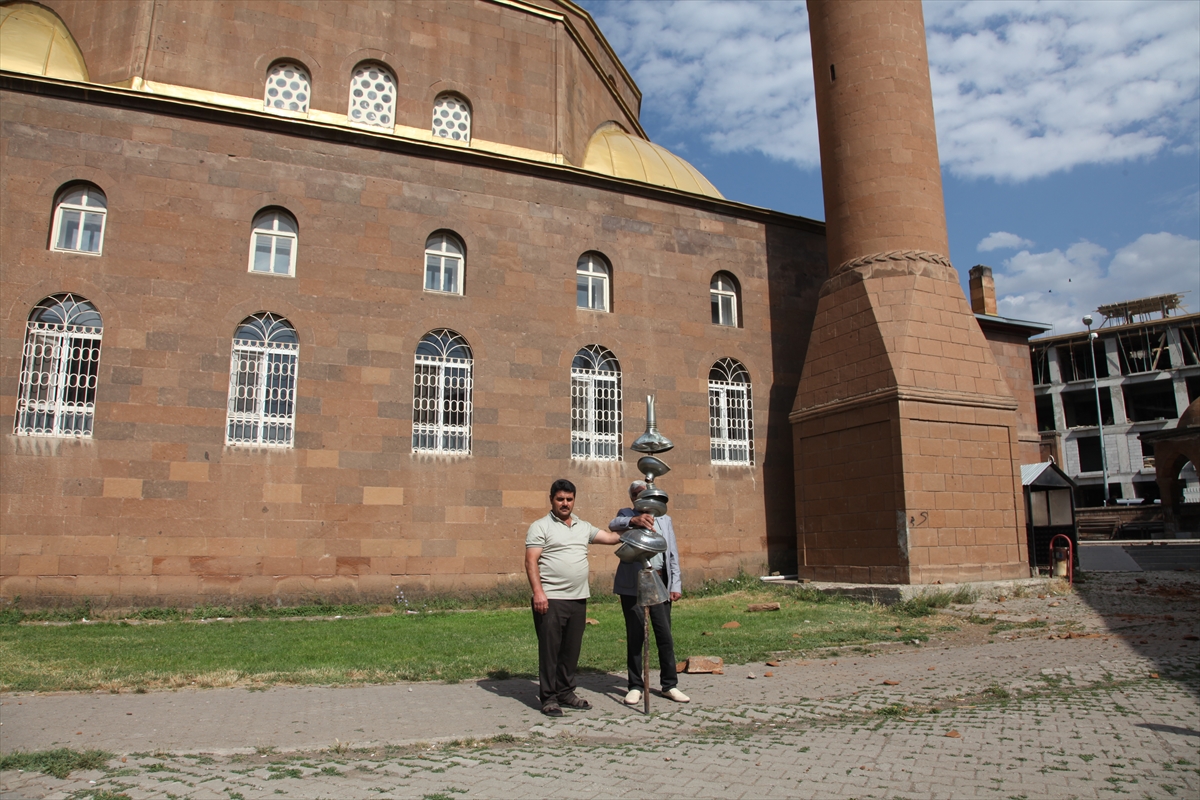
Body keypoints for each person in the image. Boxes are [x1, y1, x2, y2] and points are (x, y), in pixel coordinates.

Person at [525, 478, 621, 717]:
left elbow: (611, 538)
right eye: (560, 499)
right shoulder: (540, 526)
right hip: (551, 599)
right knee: (550, 651)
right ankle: (549, 698)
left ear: (574, 500)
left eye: (569, 499)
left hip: (578, 599)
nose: (565, 503)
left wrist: (635, 521)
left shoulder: (582, 526)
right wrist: (539, 592)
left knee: (571, 651)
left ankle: (566, 692)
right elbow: (530, 561)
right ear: (551, 500)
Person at [609, 480, 689, 705]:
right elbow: (613, 524)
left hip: (659, 579)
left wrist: (675, 584)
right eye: (635, 494)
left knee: (664, 634)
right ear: (632, 498)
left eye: (644, 494)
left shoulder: (664, 518)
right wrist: (633, 520)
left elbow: (671, 552)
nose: (639, 498)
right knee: (635, 634)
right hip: (633, 583)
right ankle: (635, 685)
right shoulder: (627, 514)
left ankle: (669, 685)